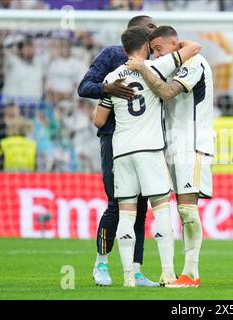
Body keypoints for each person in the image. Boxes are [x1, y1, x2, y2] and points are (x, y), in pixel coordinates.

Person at [92, 26, 201, 287]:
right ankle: (167, 272)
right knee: (161, 211)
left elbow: (98, 121)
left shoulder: (112, 77)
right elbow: (193, 47)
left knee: (126, 213)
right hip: (149, 150)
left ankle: (128, 276)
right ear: (145, 47)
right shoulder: (156, 67)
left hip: (121, 152)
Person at [126, 25, 214, 288]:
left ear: (174, 45)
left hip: (192, 142)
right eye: (151, 52)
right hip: (172, 145)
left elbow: (166, 92)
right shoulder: (169, 66)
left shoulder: (195, 62)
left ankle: (191, 274)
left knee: (187, 209)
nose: (154, 56)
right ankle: (182, 274)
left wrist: (142, 68)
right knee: (178, 208)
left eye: (157, 49)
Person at [77, 15, 158, 287]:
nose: (154, 31)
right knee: (116, 202)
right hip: (114, 139)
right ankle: (101, 263)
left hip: (145, 142)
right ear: (134, 31)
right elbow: (84, 86)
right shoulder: (112, 55)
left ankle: (135, 269)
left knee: (142, 205)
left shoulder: (155, 61)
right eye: (150, 27)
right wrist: (106, 89)